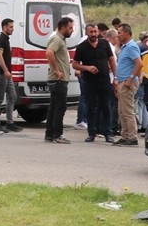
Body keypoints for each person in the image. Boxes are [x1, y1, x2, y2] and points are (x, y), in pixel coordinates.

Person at [72, 22, 117, 143]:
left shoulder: (104, 43)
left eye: (95, 31)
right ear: (87, 33)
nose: (94, 34)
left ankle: (107, 132)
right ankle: (91, 133)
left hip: (105, 80)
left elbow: (112, 60)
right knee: (91, 107)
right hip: (89, 82)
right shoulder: (82, 47)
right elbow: (74, 64)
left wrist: (116, 77)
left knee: (106, 106)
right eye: (91, 32)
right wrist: (87, 68)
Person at [44, 16, 75, 144]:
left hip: (58, 80)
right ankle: (58, 134)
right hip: (58, 80)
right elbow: (49, 53)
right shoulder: (57, 39)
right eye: (70, 28)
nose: (72, 31)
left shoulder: (60, 39)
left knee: (54, 107)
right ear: (63, 28)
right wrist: (57, 70)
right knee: (60, 107)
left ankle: (50, 134)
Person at [113, 23, 143, 145]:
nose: (118, 35)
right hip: (122, 82)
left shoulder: (131, 47)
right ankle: (125, 135)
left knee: (127, 111)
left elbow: (139, 64)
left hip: (127, 82)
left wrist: (130, 79)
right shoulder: (125, 47)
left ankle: (132, 137)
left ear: (126, 33)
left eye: (119, 33)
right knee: (122, 111)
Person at [0, 18, 22, 132]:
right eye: (11, 27)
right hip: (1, 74)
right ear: (4, 27)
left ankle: (10, 122)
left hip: (7, 74)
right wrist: (5, 70)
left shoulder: (6, 39)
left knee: (12, 96)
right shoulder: (0, 39)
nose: (12, 29)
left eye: (12, 27)